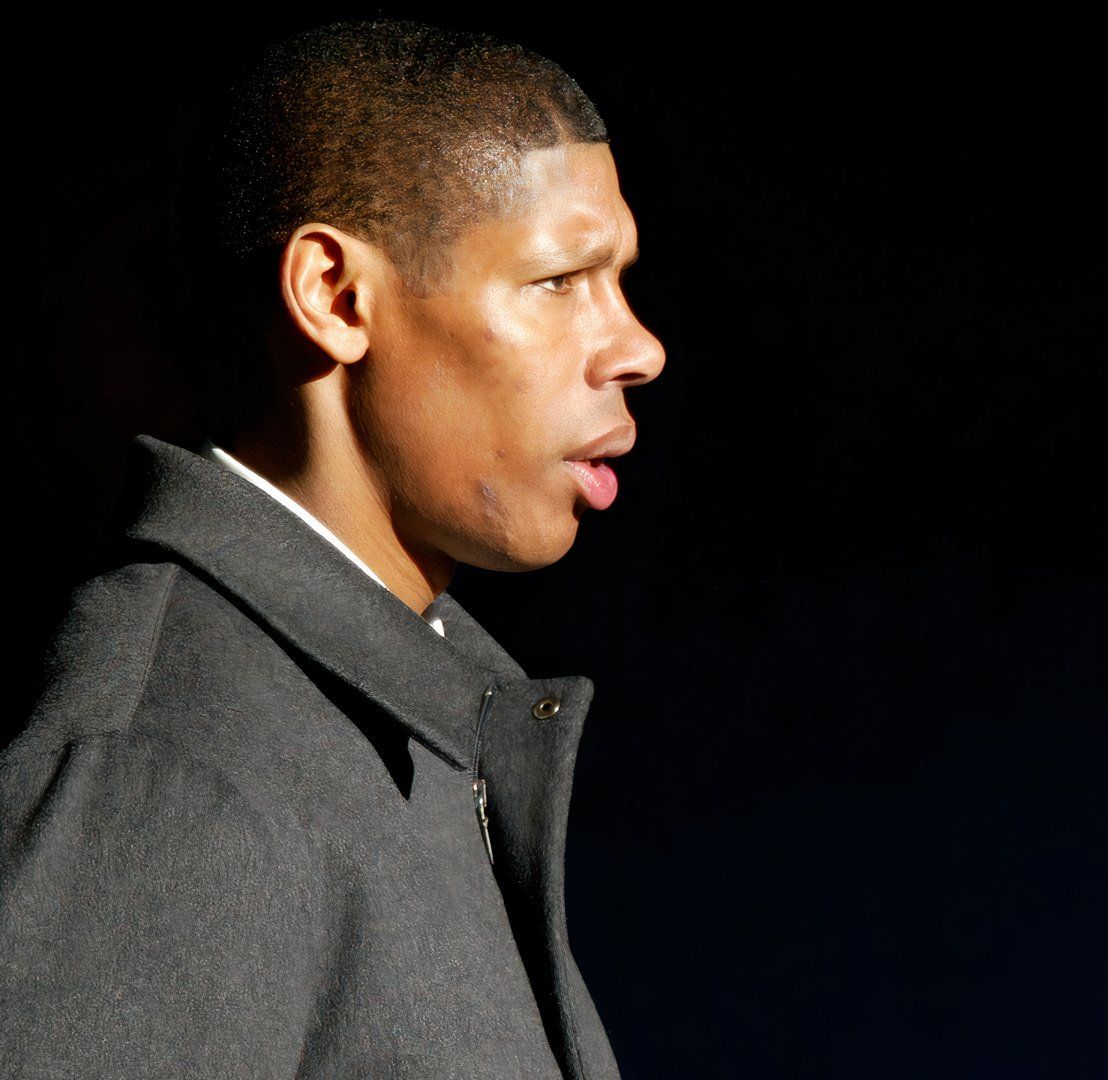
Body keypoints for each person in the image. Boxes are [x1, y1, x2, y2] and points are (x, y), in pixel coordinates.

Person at [0, 18, 662, 1078]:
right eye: (558, 282)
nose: (639, 345)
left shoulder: (402, 711)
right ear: (336, 296)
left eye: (622, 280)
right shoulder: (170, 766)